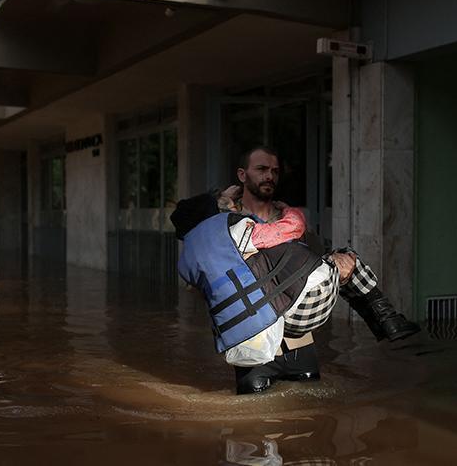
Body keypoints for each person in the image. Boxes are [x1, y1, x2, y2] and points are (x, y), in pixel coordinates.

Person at [171, 146, 420, 394]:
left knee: (308, 420)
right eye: (261, 169)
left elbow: (312, 263)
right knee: (252, 428)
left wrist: (338, 262)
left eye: (275, 171)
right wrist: (218, 201)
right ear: (242, 175)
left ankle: (388, 322)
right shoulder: (222, 222)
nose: (269, 176)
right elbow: (183, 227)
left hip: (300, 346)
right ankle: (388, 321)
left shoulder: (290, 218)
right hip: (258, 348)